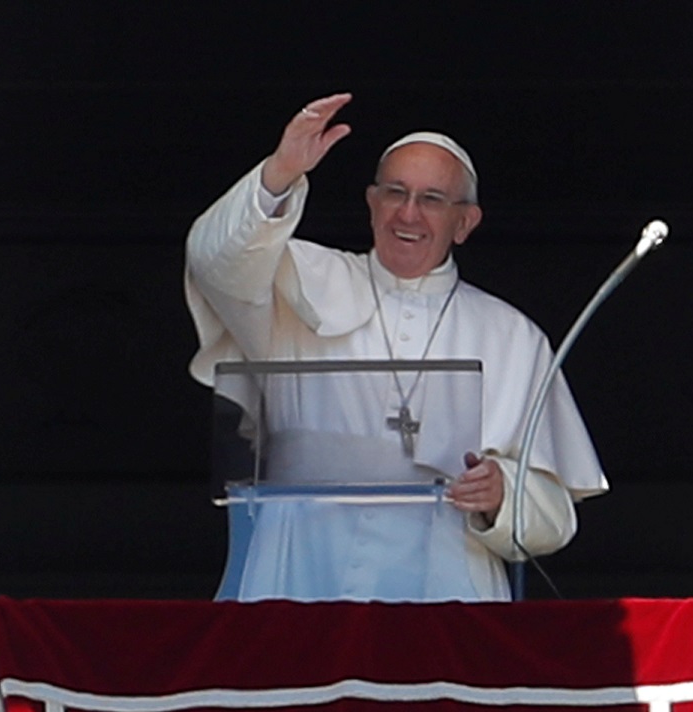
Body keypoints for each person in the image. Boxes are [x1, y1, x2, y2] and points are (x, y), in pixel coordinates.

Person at [186, 92, 606, 601]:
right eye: (395, 193)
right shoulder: (298, 283)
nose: (408, 214)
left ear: (465, 222)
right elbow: (214, 261)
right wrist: (280, 173)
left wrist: (502, 494)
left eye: (432, 199)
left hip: (444, 581)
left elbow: (554, 519)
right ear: (371, 202)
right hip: (297, 565)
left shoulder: (511, 335)